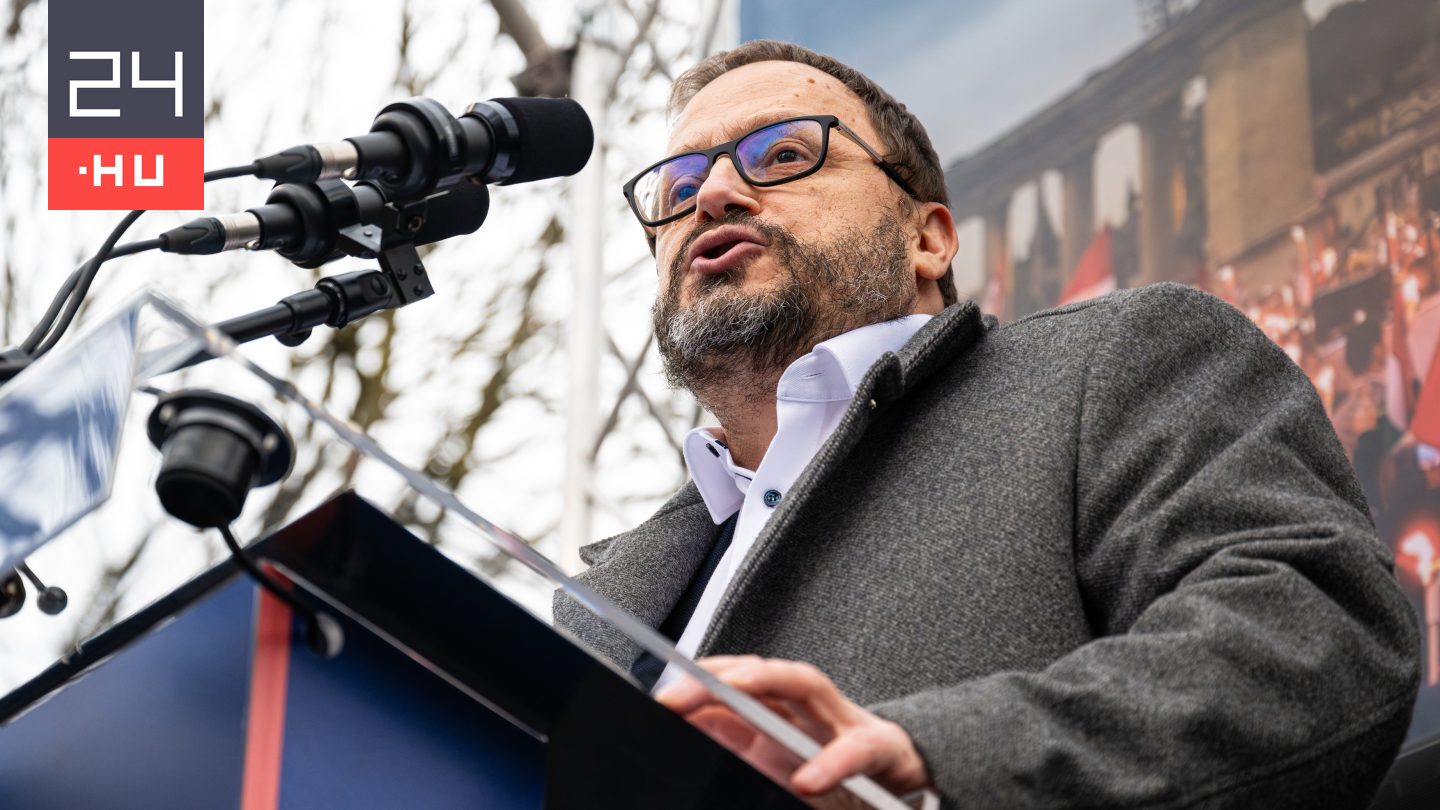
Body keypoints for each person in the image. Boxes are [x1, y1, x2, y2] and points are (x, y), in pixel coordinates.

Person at [553, 39, 1421, 808]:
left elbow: (1312, 639)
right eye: (678, 188)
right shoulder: (601, 599)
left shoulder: (1115, 364)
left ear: (928, 238)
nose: (712, 196)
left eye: (781, 154)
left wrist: (936, 764)